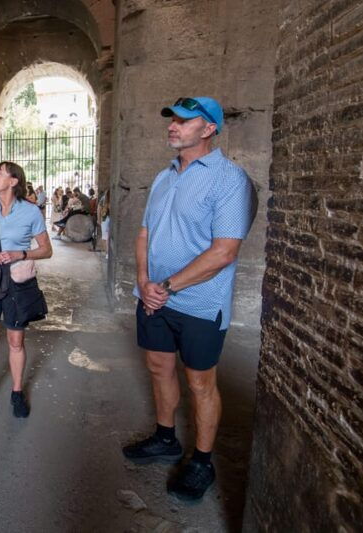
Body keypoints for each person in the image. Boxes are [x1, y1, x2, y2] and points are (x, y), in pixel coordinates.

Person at [121, 97, 253, 502]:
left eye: (184, 121)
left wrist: (169, 286)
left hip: (199, 303)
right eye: (172, 120)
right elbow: (144, 234)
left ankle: (201, 460)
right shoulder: (164, 178)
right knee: (159, 367)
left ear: (209, 128)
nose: (173, 127)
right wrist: (144, 281)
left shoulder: (229, 179)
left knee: (200, 383)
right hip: (154, 297)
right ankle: (165, 438)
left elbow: (224, 251)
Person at [0, 162, 53, 417]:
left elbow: (46, 250)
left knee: (16, 340)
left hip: (17, 282)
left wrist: (21, 252)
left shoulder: (31, 212)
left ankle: (17, 391)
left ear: (13, 181)